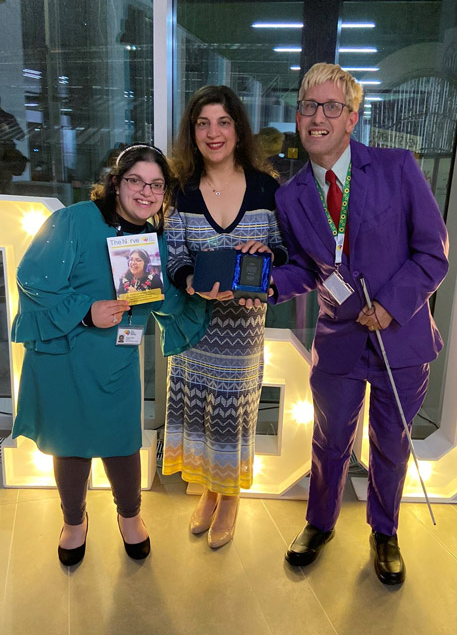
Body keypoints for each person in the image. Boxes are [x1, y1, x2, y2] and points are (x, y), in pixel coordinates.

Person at [270, 63, 448, 584]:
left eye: (330, 107)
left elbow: (432, 254)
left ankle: (384, 532)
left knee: (390, 442)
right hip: (339, 340)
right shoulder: (291, 195)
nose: (316, 118)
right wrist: (268, 281)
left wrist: (391, 305)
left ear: (352, 117)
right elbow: (307, 267)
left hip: (402, 337)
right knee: (328, 441)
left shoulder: (397, 167)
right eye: (308, 107)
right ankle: (319, 522)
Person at [12, 143, 209, 566]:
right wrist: (85, 312)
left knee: (121, 440)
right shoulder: (73, 220)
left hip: (117, 357)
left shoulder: (150, 239)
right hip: (66, 353)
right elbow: (33, 277)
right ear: (116, 182)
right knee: (71, 444)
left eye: (156, 185)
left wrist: (199, 291)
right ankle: (73, 521)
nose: (145, 192)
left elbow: (160, 299)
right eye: (136, 180)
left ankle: (130, 516)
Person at [162, 85, 288, 548]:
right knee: (201, 416)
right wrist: (190, 281)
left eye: (223, 122)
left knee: (233, 417)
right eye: (202, 124)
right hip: (195, 329)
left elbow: (286, 251)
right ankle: (210, 493)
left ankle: (229, 496)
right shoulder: (181, 190)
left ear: (238, 129)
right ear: (192, 133)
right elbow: (175, 255)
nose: (213, 133)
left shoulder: (265, 187)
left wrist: (267, 253)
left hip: (243, 332)